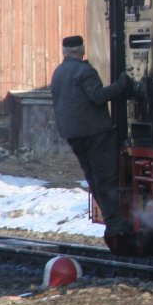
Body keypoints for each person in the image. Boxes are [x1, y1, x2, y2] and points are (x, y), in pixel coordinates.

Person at [50, 35, 133, 239]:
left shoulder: (58, 73)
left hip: (73, 134)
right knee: (106, 178)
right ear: (82, 50)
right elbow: (97, 97)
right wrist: (122, 85)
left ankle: (112, 220)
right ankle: (115, 223)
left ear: (65, 52)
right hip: (94, 133)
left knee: (93, 179)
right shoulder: (84, 71)